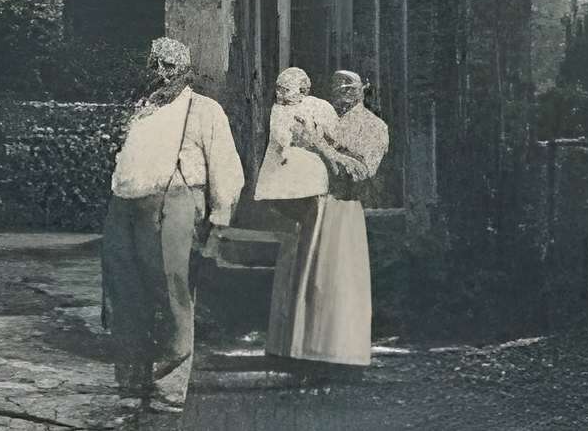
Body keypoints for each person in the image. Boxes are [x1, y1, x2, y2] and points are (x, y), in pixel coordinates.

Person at [102, 36, 245, 418]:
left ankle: (168, 387)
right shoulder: (141, 109)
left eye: (169, 66)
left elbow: (227, 169)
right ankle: (131, 383)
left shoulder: (204, 110)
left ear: (186, 71)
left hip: (176, 204)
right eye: (155, 65)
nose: (160, 73)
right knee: (125, 297)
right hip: (125, 205)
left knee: (172, 295)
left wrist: (219, 220)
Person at [271, 71, 389, 384]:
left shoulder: (374, 126)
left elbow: (364, 170)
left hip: (342, 207)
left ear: (364, 88)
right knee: (303, 278)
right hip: (308, 202)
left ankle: (341, 357)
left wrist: (326, 149)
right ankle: (302, 354)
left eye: (349, 85)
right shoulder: (315, 112)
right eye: (336, 85)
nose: (342, 91)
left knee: (337, 282)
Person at [253, 66, 335, 362]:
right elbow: (279, 142)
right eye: (278, 88)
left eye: (286, 89)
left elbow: (333, 140)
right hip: (286, 191)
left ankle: (314, 338)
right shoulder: (278, 111)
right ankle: (289, 340)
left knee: (315, 255)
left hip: (314, 185)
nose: (280, 93)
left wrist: (310, 138)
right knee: (294, 255)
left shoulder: (320, 108)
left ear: (303, 90)